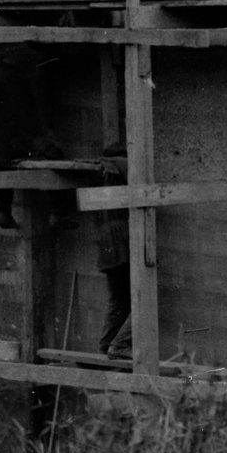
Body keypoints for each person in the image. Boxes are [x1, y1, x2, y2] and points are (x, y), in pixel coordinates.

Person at [94, 141, 132, 358]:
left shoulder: (102, 168)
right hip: (122, 240)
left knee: (118, 299)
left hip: (105, 242)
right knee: (142, 297)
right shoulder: (124, 164)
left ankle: (106, 345)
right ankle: (120, 345)